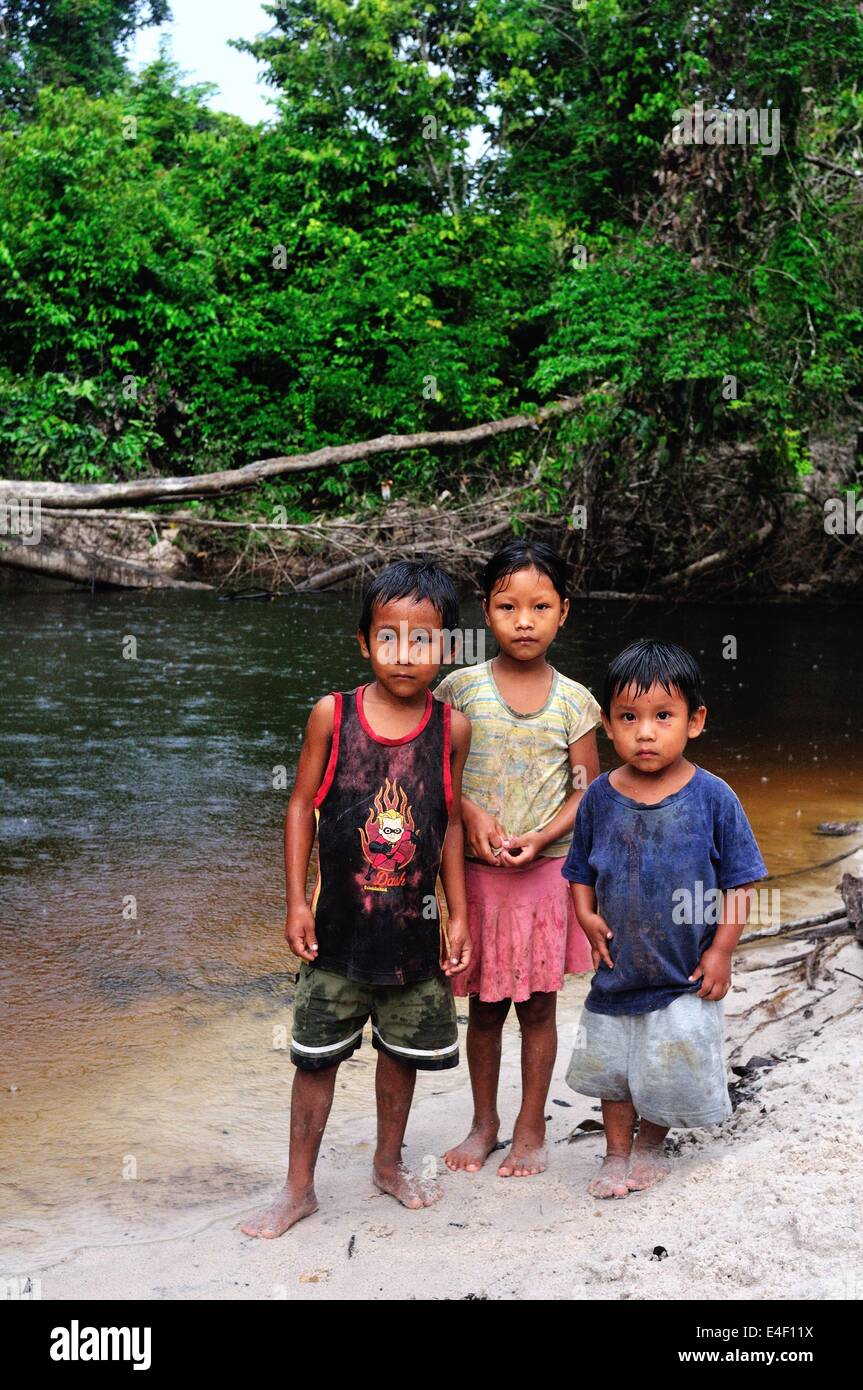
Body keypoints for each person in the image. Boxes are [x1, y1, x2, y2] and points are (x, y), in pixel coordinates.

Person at [241, 560, 472, 1238]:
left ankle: (387, 1162)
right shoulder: (331, 715)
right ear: (363, 642)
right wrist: (293, 901)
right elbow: (299, 808)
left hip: (411, 936)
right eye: (388, 637)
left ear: (447, 649)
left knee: (402, 1055)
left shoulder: (450, 729)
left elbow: (451, 823)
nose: (405, 653)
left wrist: (457, 914)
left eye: (422, 639)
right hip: (336, 935)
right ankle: (297, 1187)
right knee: (314, 1059)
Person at [563, 637, 768, 1199]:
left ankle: (650, 1146)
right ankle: (615, 1153)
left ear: (695, 721)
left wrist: (721, 950)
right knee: (615, 1069)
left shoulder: (713, 798)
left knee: (664, 1065)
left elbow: (740, 882)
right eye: (629, 717)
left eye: (662, 716)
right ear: (607, 724)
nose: (645, 732)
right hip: (617, 968)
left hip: (682, 971)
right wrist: (584, 914)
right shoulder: (600, 798)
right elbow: (580, 867)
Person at [434, 539, 600, 1178]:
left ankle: (531, 1126)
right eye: (508, 606)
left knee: (537, 1007)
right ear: (486, 610)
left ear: (564, 613)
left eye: (540, 607)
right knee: (481, 1009)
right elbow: (438, 775)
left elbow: (587, 793)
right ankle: (484, 1123)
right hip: (474, 878)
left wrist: (542, 835)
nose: (523, 621)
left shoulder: (575, 701)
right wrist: (472, 815)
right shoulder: (460, 688)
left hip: (544, 876)